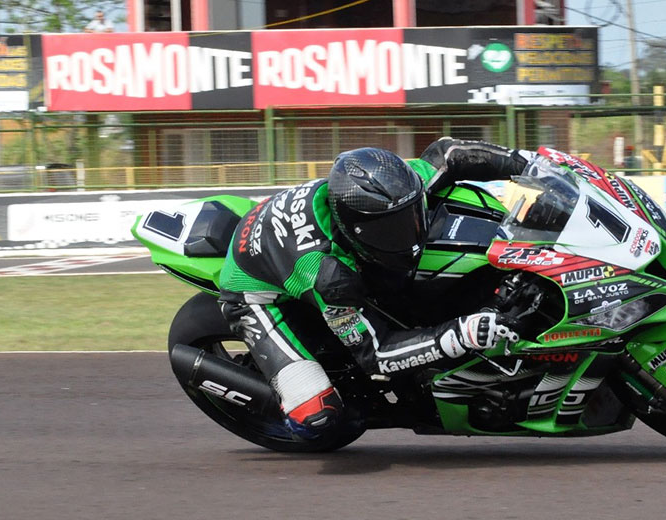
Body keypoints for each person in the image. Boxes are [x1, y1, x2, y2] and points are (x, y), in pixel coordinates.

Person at [218, 138, 529, 439]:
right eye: (392, 230)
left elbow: (448, 153)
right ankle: (287, 400)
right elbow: (377, 354)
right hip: (251, 293)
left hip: (286, 239)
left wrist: (533, 163)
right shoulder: (329, 276)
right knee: (317, 417)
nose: (410, 232)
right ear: (356, 230)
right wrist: (460, 334)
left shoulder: (399, 187)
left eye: (412, 214)